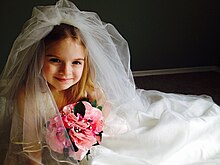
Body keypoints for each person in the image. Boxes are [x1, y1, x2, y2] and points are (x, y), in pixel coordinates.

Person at [0, 0, 220, 164]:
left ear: (85, 63)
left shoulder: (88, 89)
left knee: (160, 144)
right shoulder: (29, 96)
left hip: (103, 135)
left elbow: (103, 113)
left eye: (77, 62)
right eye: (55, 60)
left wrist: (86, 134)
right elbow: (31, 147)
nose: (66, 71)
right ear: (39, 58)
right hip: (64, 146)